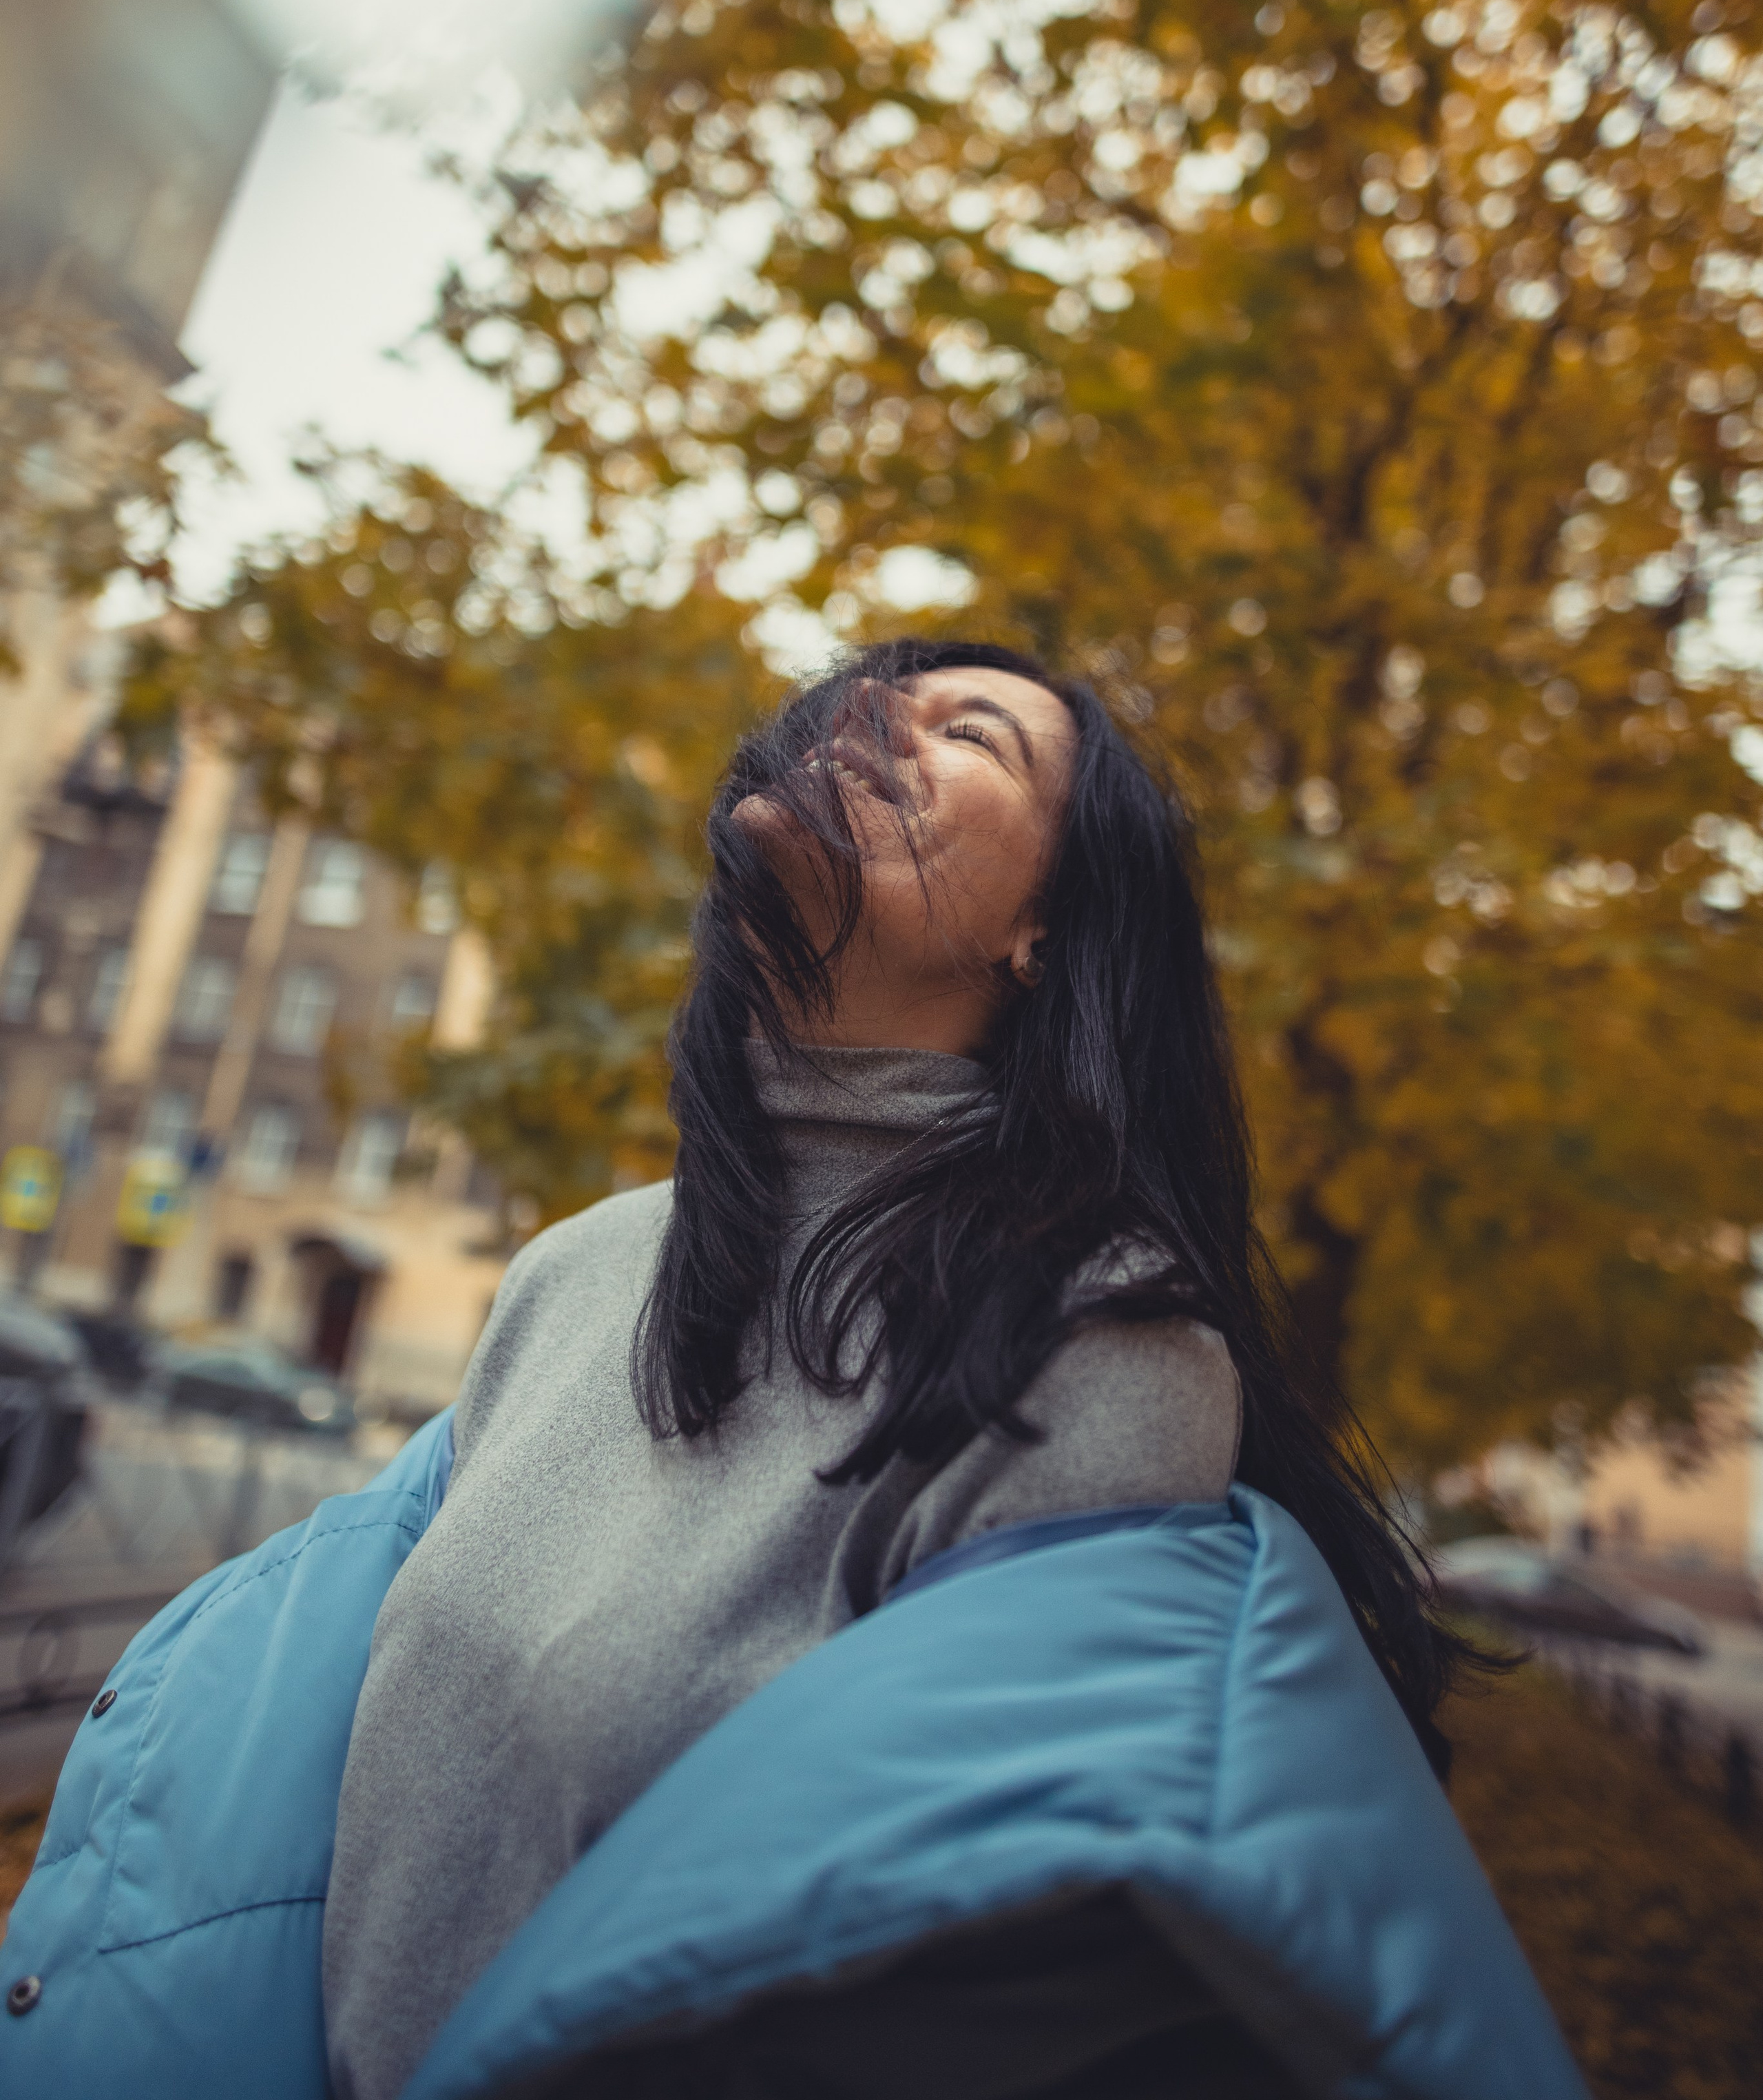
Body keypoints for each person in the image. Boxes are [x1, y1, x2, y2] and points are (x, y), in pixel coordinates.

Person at [3, 639, 1587, 2100]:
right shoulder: (583, 1269)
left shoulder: (1096, 1350)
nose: (869, 717)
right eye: (859, 701)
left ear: (1049, 930)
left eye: (965, 729)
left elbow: (917, 1996)